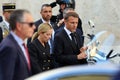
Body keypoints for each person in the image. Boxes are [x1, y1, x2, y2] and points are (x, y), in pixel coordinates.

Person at [0, 9, 36, 80]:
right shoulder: (9, 47)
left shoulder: (20, 44)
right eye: (30, 24)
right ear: (19, 26)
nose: (34, 27)